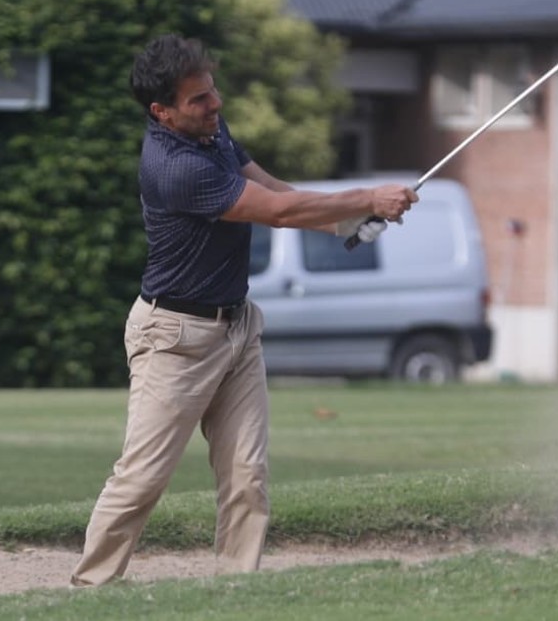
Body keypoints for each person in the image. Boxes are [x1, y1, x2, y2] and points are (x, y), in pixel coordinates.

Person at [70, 34, 416, 586]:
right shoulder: (176, 166)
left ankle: (238, 590)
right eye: (198, 100)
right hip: (175, 337)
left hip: (236, 329)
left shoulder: (211, 134)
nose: (215, 105)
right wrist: (367, 199)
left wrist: (342, 222)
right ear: (162, 112)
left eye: (213, 92)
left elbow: (273, 189)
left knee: (247, 476)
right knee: (141, 480)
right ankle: (89, 590)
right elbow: (275, 212)